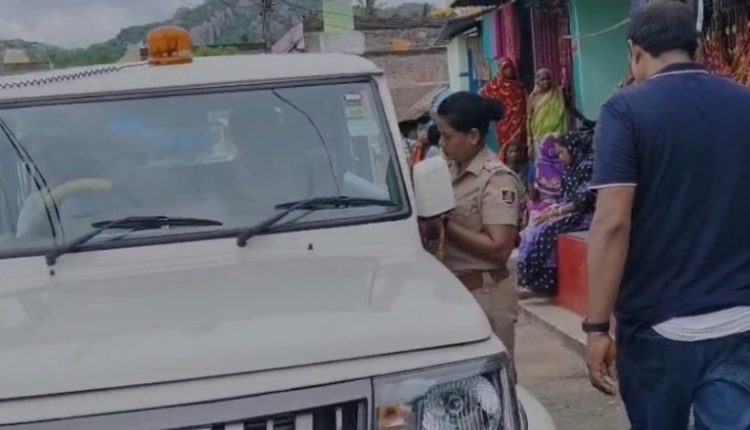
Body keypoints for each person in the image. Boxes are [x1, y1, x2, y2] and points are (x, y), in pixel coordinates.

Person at [586, 2, 750, 429]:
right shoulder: (744, 102)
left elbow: (612, 222)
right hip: (740, 321)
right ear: (696, 48)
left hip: (657, 327)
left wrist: (597, 326)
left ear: (635, 52)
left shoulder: (624, 111)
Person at [435, 91, 525, 359]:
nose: (442, 143)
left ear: (473, 136)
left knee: (491, 376)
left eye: (448, 136)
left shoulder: (495, 180)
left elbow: (499, 248)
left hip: (485, 295)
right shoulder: (450, 172)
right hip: (457, 293)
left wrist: (444, 225)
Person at [518, 129, 595, 297]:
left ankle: (542, 283)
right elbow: (566, 196)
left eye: (562, 152)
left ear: (572, 148)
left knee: (547, 229)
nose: (560, 157)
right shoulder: (571, 167)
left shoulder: (587, 166)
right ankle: (529, 279)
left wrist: (556, 213)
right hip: (570, 211)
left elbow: (583, 200)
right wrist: (553, 209)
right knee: (534, 226)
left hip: (585, 215)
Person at [481, 58, 528, 161]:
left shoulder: (519, 85)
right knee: (507, 145)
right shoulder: (495, 86)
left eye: (510, 68)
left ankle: (520, 162)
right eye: (506, 68)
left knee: (520, 144)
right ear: (501, 70)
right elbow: (484, 97)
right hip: (505, 122)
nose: (509, 70)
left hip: (520, 121)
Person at [527, 69, 568, 160]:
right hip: (540, 137)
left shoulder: (558, 93)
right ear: (537, 81)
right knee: (543, 163)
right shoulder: (533, 97)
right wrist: (529, 141)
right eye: (542, 79)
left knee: (558, 162)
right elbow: (529, 119)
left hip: (558, 136)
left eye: (548, 78)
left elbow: (567, 109)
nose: (546, 81)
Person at [527, 134, 564, 224]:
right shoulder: (568, 166)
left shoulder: (536, 168)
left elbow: (532, 195)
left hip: (541, 211)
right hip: (564, 208)